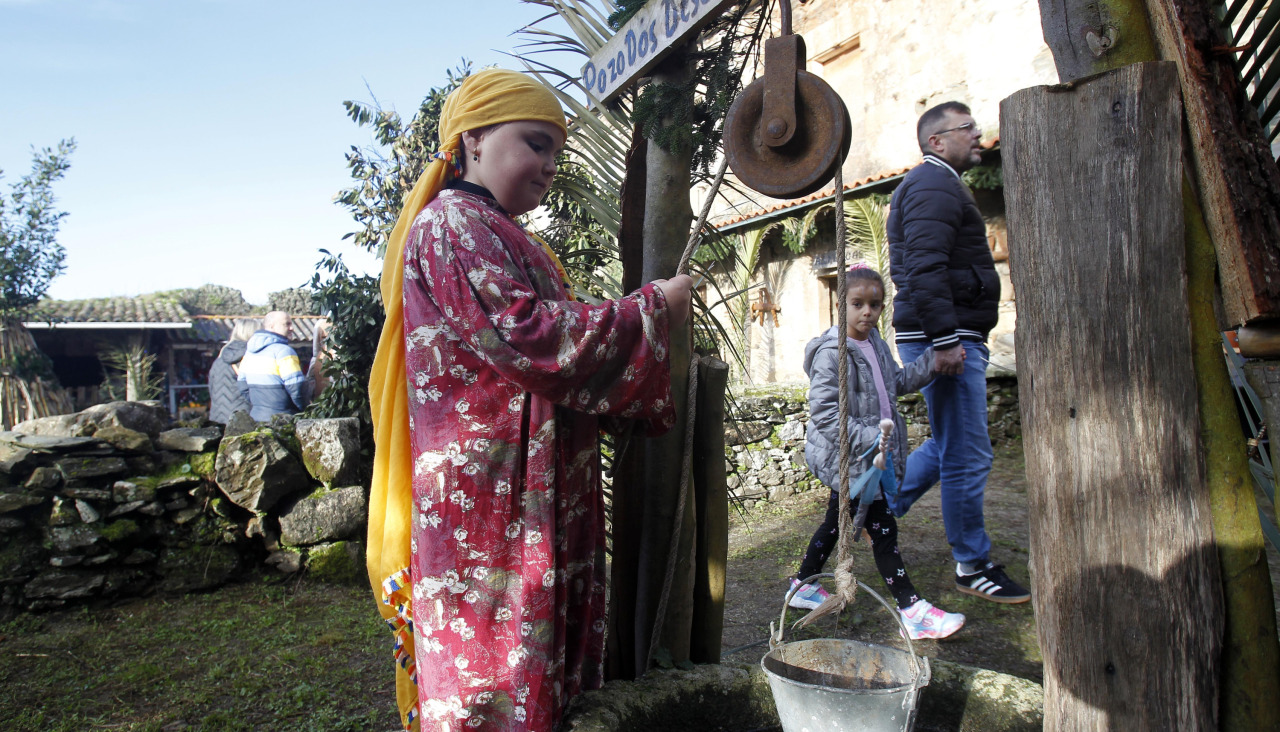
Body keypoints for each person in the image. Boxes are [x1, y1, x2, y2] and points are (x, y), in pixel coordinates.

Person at [366, 69, 693, 732]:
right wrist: (653, 308)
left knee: (535, 666)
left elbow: (546, 346)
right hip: (488, 505)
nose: (548, 166)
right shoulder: (453, 224)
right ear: (475, 138)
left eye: (555, 152)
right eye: (535, 144)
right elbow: (529, 340)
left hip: (525, 490)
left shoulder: (503, 233)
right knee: (494, 668)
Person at [886, 101, 1030, 603]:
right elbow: (923, 268)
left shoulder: (938, 183)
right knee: (968, 454)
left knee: (948, 445)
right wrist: (946, 340)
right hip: (945, 337)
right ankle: (972, 564)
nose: (978, 135)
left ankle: (881, 508)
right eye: (967, 128)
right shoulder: (932, 184)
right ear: (937, 142)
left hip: (947, 333)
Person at [787, 265, 964, 640]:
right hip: (852, 458)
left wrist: (932, 362)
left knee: (837, 522)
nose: (867, 312)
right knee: (882, 530)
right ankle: (912, 608)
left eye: (875, 304)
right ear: (841, 305)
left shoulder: (877, 344)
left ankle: (802, 585)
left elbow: (895, 384)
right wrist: (869, 436)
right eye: (857, 303)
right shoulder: (831, 354)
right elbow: (824, 414)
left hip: (871, 457)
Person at [236, 310, 309, 421]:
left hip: (256, 416)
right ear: (271, 326)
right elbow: (296, 387)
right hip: (283, 419)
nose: (292, 328)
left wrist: (260, 406)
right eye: (287, 324)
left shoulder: (249, 353)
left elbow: (242, 386)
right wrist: (304, 410)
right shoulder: (284, 351)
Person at [207, 318, 258, 423]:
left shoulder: (220, 357)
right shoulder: (249, 357)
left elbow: (211, 388)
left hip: (217, 417)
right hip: (242, 418)